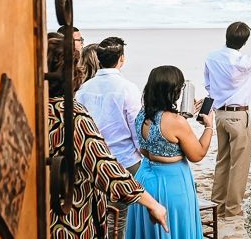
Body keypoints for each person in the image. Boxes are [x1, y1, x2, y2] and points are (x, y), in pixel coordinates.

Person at [46, 38, 168, 238]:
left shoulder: (31, 109)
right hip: (70, 218)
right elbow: (104, 166)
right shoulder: (71, 115)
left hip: (38, 214)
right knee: (119, 224)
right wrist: (152, 203)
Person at [204, 3, 251, 217]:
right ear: (244, 42)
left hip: (219, 114)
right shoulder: (242, 62)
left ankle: (217, 206)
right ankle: (233, 208)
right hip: (238, 115)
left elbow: (208, 85)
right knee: (239, 164)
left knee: (222, 161)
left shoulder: (212, 57)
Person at [127, 65, 212, 238]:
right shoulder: (176, 121)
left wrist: (182, 117)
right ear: (173, 92)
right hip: (172, 183)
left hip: (144, 181)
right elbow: (198, 154)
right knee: (174, 229)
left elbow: (148, 144)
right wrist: (209, 126)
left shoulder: (142, 114)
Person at [76, 37, 143, 236]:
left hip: (92, 161)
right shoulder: (128, 88)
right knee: (120, 220)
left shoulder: (84, 88)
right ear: (121, 59)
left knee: (97, 216)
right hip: (125, 161)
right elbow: (136, 129)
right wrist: (142, 154)